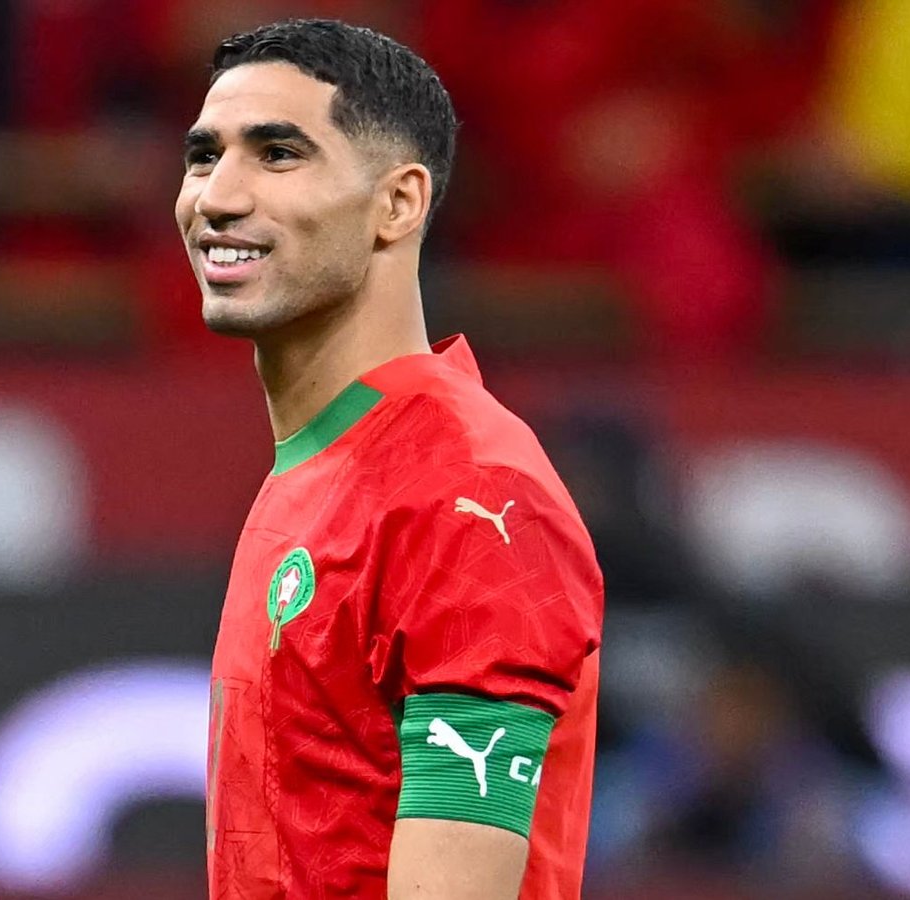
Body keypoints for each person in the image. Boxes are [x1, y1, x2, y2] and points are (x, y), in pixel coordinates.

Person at [175, 19, 605, 899]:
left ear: (398, 203)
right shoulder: (329, 465)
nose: (217, 196)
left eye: (278, 154)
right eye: (203, 155)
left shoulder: (469, 496)